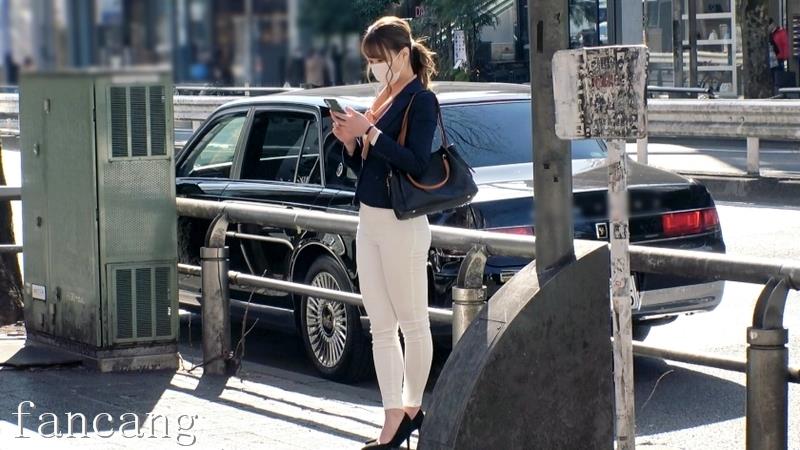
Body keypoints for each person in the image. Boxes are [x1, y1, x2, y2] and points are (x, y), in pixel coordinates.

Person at [329, 15, 438, 450]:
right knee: (380, 325)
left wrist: (369, 132)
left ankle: (411, 409)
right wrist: (351, 142)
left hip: (402, 224)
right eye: (370, 60)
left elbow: (416, 162)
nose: (374, 67)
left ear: (402, 54)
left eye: (379, 59)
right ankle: (392, 414)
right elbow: (369, 167)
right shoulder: (383, 98)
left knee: (413, 323)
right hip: (369, 219)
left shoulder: (421, 100)